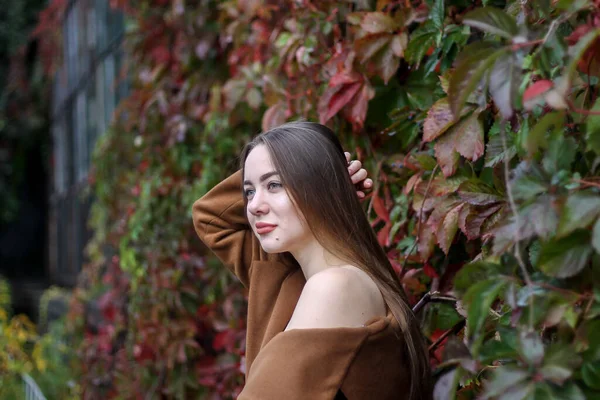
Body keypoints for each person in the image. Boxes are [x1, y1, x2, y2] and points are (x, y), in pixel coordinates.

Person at [192, 121, 432, 400]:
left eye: (274, 184)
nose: (254, 205)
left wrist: (326, 174)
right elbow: (209, 218)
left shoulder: (335, 286)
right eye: (249, 191)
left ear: (317, 186)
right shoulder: (286, 274)